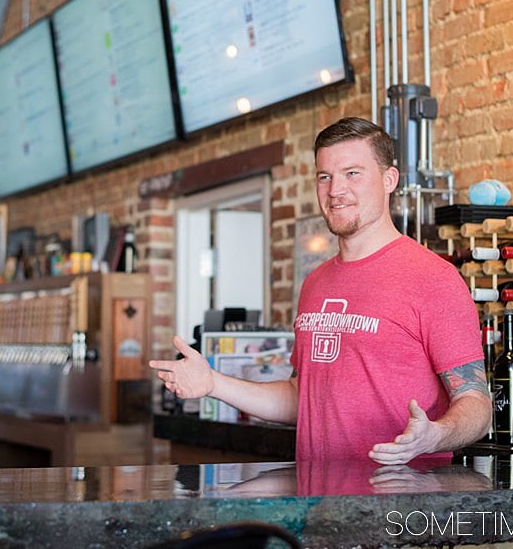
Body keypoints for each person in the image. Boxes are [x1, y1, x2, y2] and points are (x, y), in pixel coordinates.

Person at [150, 116, 491, 465]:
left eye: (352, 173)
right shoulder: (316, 283)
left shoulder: (433, 278)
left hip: (399, 506)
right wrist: (214, 384)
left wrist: (434, 436)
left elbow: (477, 404)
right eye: (324, 176)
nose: (335, 190)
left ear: (389, 180)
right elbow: (302, 398)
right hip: (319, 503)